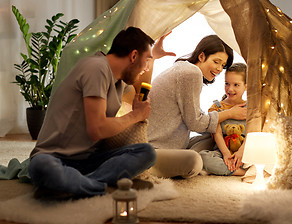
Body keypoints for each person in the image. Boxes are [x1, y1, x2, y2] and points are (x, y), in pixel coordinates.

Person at [28, 27, 171, 200]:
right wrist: (135, 116)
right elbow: (96, 129)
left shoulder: (118, 79)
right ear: (133, 56)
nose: (146, 67)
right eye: (146, 60)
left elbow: (140, 84)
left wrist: (152, 56)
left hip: (89, 160)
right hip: (54, 158)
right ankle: (98, 186)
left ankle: (76, 186)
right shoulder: (96, 68)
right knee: (42, 167)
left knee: (146, 152)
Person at [146, 35, 247, 178]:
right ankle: (153, 167)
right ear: (201, 56)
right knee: (194, 162)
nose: (219, 69)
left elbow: (196, 118)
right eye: (216, 62)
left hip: (170, 143)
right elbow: (195, 123)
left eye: (222, 65)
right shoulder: (191, 73)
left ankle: (220, 163)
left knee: (210, 138)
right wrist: (230, 113)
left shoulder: (184, 69)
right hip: (154, 147)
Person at [200, 63, 248, 176]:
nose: (230, 89)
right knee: (203, 157)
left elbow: (251, 132)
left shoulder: (250, 108)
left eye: (236, 85)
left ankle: (230, 168)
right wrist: (226, 154)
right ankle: (239, 172)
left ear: (246, 86)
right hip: (222, 152)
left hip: (244, 151)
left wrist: (241, 152)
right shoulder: (216, 107)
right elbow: (217, 134)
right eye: (227, 83)